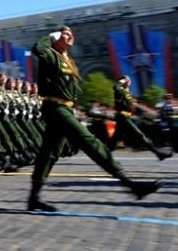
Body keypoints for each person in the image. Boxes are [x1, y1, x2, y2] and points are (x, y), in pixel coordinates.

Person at [28, 26, 161, 212]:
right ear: (57, 37)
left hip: (64, 108)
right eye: (65, 34)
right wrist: (51, 37)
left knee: (49, 152)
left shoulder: (69, 60)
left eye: (71, 34)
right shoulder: (50, 54)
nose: (70, 36)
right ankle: (130, 184)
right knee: (89, 141)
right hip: (55, 108)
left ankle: (34, 197)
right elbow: (37, 49)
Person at [111, 76, 172, 160]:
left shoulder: (127, 92)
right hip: (123, 117)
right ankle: (158, 153)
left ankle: (102, 153)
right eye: (127, 80)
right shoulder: (119, 90)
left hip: (125, 117)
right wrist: (121, 81)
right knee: (140, 135)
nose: (129, 81)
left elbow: (133, 104)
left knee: (115, 139)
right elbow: (116, 88)